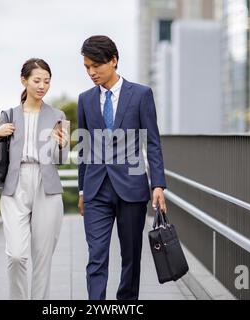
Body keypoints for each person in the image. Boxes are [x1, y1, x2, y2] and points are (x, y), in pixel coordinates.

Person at [77, 36, 168, 300]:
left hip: (132, 188)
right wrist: (82, 190)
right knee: (96, 257)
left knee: (130, 257)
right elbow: (84, 148)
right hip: (96, 190)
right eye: (86, 67)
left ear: (113, 60)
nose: (91, 72)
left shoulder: (140, 94)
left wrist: (158, 185)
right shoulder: (85, 99)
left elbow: (152, 142)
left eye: (96, 66)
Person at [0, 58, 69, 300]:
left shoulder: (57, 114)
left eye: (47, 81)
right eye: (37, 80)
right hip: (16, 184)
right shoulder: (9, 115)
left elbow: (61, 158)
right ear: (24, 81)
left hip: (47, 186)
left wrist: (63, 144)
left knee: (42, 259)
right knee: (16, 255)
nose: (42, 85)